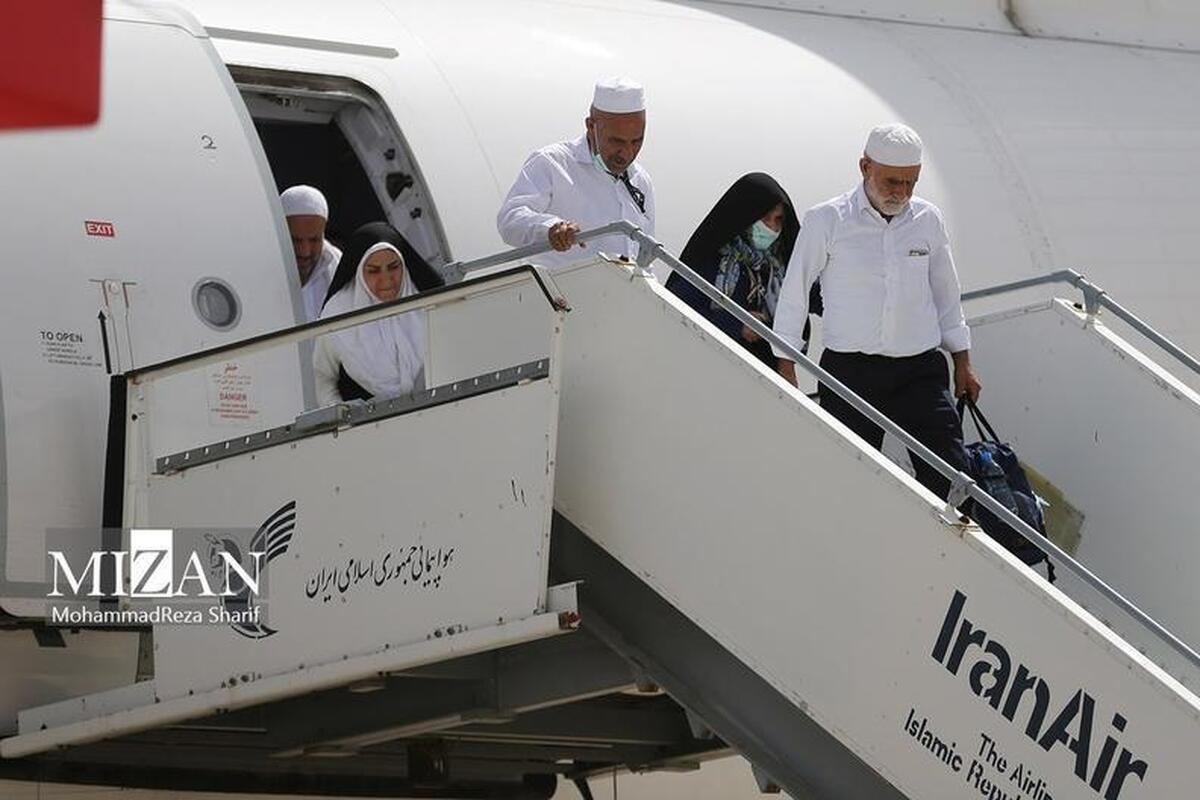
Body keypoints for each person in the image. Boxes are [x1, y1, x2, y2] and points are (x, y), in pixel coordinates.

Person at [772, 123, 981, 499]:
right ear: (865, 167)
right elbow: (795, 293)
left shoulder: (928, 220)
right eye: (892, 182)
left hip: (919, 371)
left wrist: (962, 362)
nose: (901, 193)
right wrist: (786, 364)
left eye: (910, 183)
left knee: (952, 478)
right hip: (851, 373)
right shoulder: (827, 220)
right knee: (847, 477)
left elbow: (947, 295)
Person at [497, 77, 655, 268]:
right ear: (590, 126)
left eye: (636, 141)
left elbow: (645, 257)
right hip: (557, 286)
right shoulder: (552, 162)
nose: (627, 153)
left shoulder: (641, 180)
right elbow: (510, 219)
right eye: (617, 141)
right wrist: (550, 228)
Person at [666, 173, 821, 367]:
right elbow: (674, 311)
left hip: (765, 372)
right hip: (711, 364)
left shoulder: (782, 264)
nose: (772, 227)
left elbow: (816, 297)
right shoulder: (712, 259)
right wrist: (737, 324)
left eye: (778, 219)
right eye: (765, 218)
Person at [314, 222, 444, 405]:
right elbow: (322, 375)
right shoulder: (337, 313)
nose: (386, 280)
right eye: (373, 271)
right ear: (359, 271)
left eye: (393, 267)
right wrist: (339, 409)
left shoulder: (430, 301)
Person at [281, 185, 341, 322]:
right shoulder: (257, 270)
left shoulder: (337, 266)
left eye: (314, 240)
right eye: (295, 240)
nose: (305, 252)